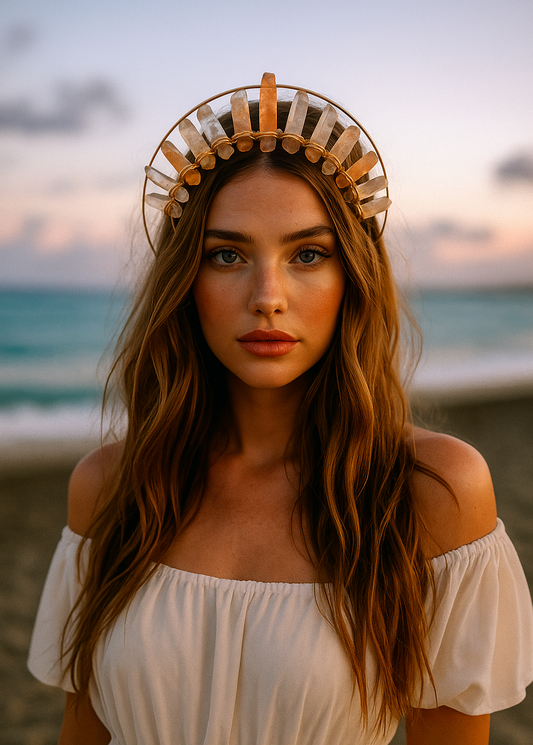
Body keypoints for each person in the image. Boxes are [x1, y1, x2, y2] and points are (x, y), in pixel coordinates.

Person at [28, 74, 533, 745]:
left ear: (352, 278)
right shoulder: (112, 485)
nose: (267, 295)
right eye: (227, 254)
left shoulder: (431, 490)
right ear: (186, 281)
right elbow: (82, 727)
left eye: (308, 254)